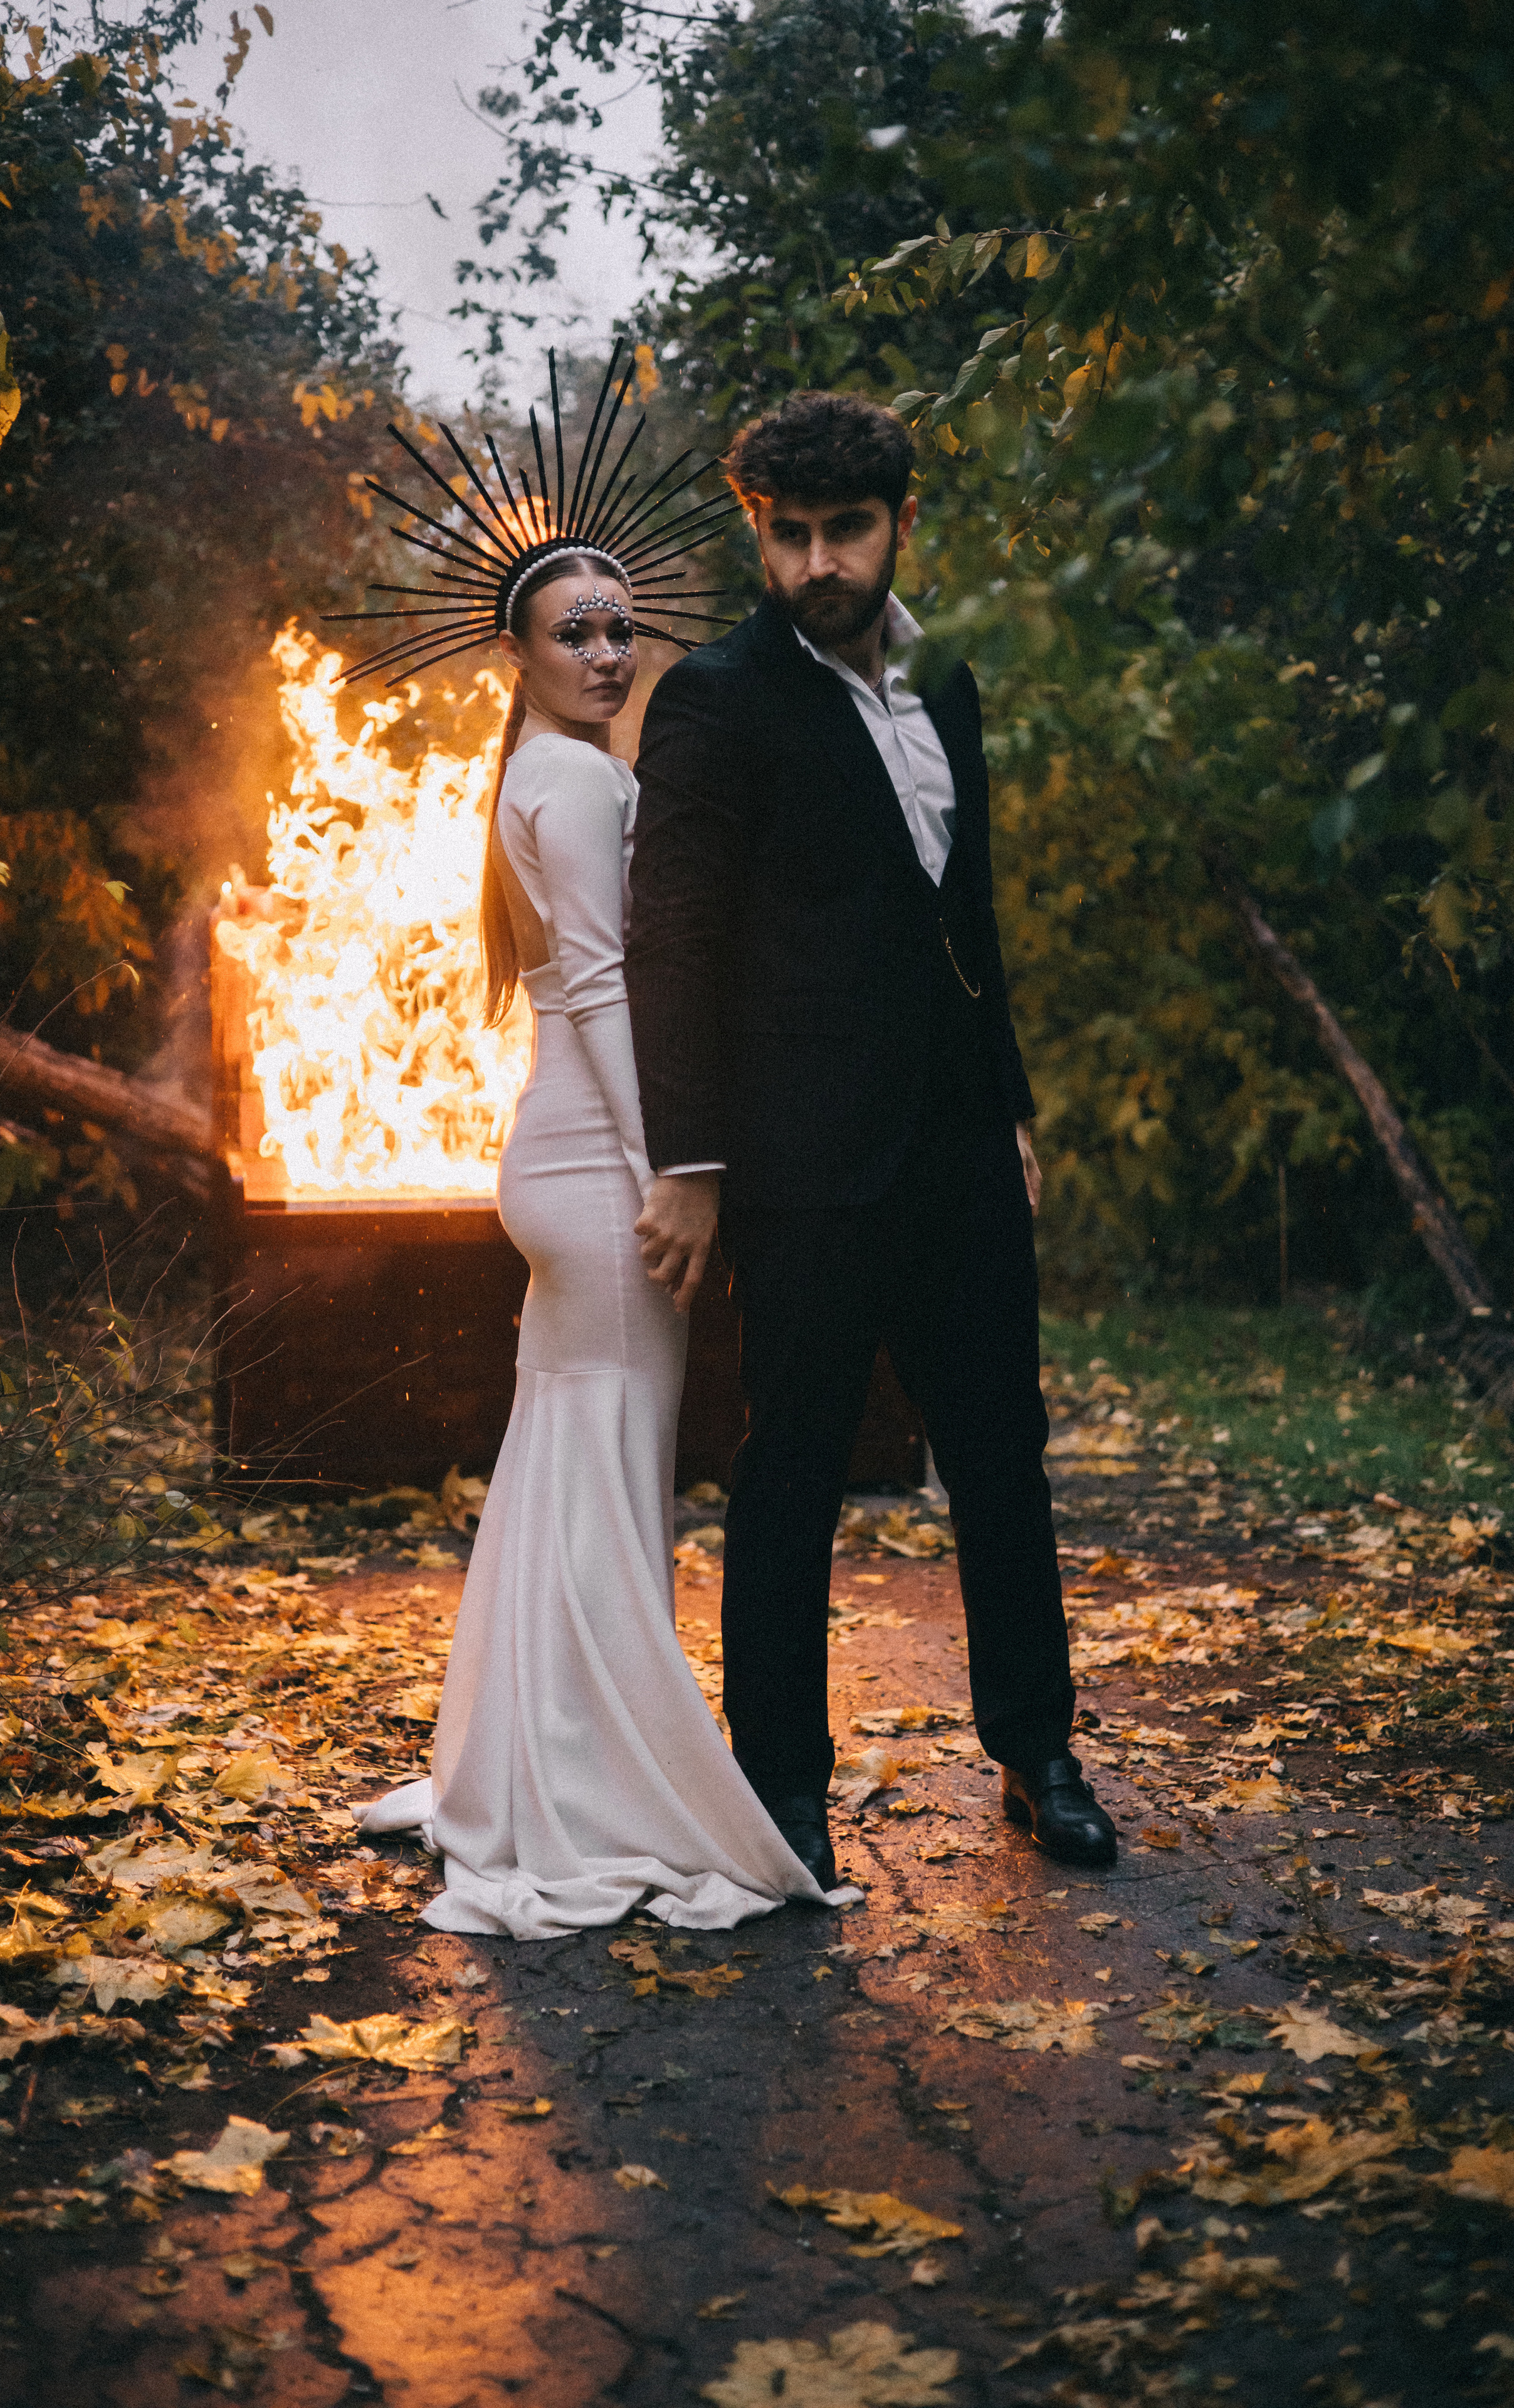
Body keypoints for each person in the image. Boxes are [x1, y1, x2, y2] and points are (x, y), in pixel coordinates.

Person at [626, 389, 1118, 1879]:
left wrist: (1012, 1109)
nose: (818, 563)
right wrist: (691, 1163)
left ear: (902, 523)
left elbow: (963, 916)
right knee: (789, 1473)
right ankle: (780, 1787)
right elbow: (673, 937)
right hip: (800, 1163)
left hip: (958, 1145)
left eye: (846, 529)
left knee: (1000, 1458)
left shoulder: (947, 681)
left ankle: (1037, 1753)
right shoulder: (716, 696)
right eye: (790, 535)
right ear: (756, 534)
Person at [357, 543, 856, 1935]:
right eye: (575, 632)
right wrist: (668, 1169)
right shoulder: (571, 777)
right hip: (596, 1162)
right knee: (609, 1463)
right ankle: (589, 1786)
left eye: (620, 628)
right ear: (518, 652)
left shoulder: (542, 770)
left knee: (569, 1459)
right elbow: (592, 980)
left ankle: (533, 1762)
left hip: (568, 1154)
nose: (606, 652)